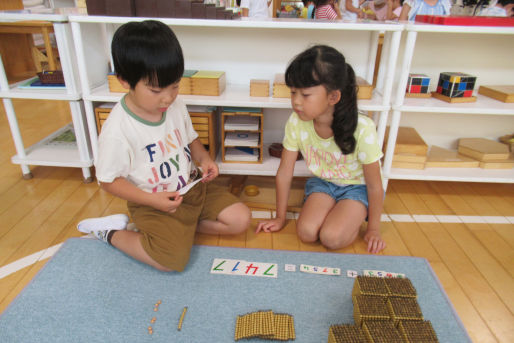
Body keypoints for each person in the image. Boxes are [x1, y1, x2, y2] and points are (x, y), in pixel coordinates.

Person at [77, 20, 251, 272]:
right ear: (125, 81)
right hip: (151, 203)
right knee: (171, 261)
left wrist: (204, 160)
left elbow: (190, 139)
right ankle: (110, 232)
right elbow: (108, 180)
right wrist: (152, 200)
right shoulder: (118, 129)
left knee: (240, 220)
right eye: (156, 90)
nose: (168, 97)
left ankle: (179, 230)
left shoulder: (173, 106)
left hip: (192, 189)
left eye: (175, 86)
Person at [256, 45, 386, 254]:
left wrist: (373, 229)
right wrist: (280, 218)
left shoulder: (363, 128)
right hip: (323, 184)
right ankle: (339, 213)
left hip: (356, 188)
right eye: (293, 92)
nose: (296, 102)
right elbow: (284, 172)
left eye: (305, 95)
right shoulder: (297, 122)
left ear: (333, 97)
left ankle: (353, 215)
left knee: (331, 238)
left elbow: (374, 185)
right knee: (306, 233)